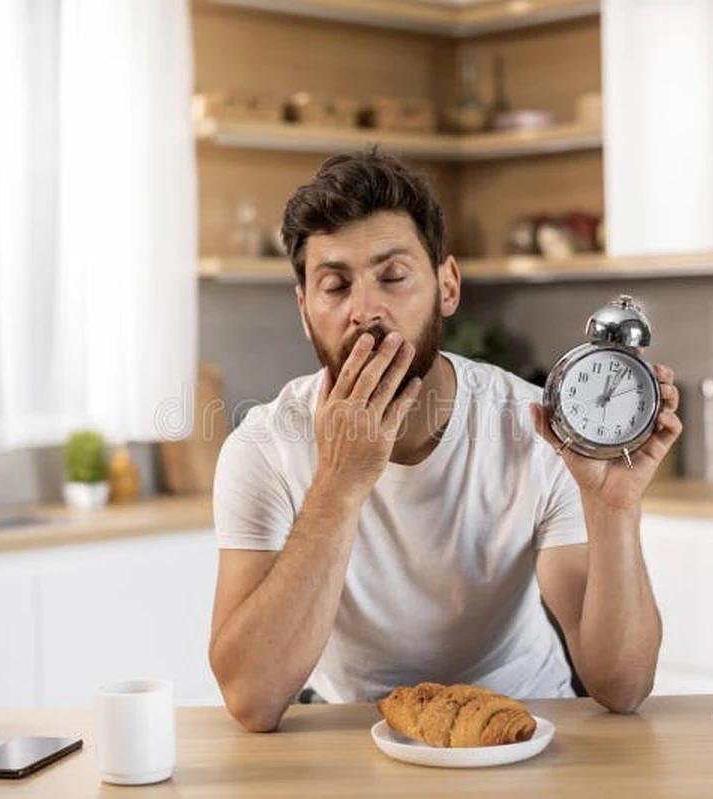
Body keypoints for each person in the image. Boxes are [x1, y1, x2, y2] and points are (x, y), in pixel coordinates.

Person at [207, 150, 682, 733]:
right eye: (335, 286)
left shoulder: (534, 427)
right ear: (305, 311)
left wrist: (614, 510)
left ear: (447, 287)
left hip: (523, 720)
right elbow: (251, 698)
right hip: (355, 731)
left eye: (393, 277)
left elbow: (623, 685)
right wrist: (339, 482)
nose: (365, 310)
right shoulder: (262, 448)